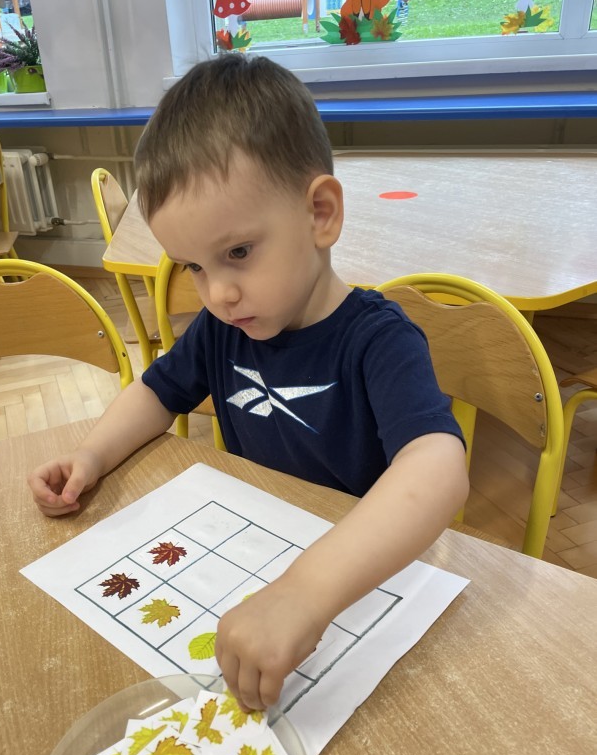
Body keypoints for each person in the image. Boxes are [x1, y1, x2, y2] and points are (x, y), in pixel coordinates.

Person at [28, 54, 469, 712]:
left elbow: (437, 468)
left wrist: (306, 591)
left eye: (237, 253)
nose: (219, 294)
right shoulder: (223, 328)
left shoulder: (379, 340)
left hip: (353, 582)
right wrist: (91, 454)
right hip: (252, 554)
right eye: (194, 267)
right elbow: (156, 393)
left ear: (320, 213)